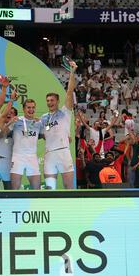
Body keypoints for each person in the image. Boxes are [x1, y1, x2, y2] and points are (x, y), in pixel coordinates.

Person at [41, 60, 77, 189]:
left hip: (63, 153)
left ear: (57, 101)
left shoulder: (65, 112)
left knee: (69, 187)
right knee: (50, 188)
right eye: (48, 101)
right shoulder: (44, 118)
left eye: (52, 100)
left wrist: (72, 72)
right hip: (49, 154)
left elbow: (70, 91)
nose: (50, 102)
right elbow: (41, 134)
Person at [10, 98, 45, 190]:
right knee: (15, 190)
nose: (31, 110)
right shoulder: (17, 121)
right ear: (24, 109)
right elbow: (3, 134)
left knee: (36, 189)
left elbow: (44, 135)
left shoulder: (38, 123)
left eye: (33, 107)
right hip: (18, 156)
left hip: (32, 157)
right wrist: (10, 122)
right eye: (28, 107)